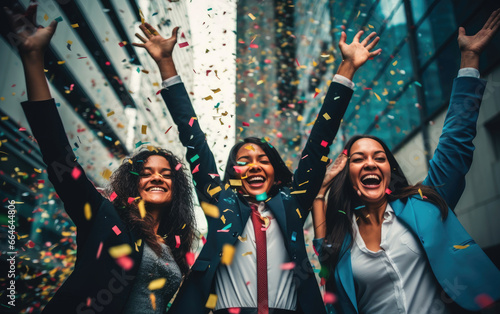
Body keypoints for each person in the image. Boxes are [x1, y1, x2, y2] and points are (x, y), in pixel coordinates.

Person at [132, 20, 381, 313]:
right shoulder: (220, 199)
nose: (254, 166)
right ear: (233, 174)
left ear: (276, 174)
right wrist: (165, 63)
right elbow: (194, 141)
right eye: (244, 162)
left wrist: (348, 69)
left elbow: (318, 144)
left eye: (263, 160)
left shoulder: (293, 203)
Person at [5, 3, 196, 313]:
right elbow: (58, 153)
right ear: (134, 182)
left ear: (178, 187)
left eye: (166, 173)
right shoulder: (105, 216)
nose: (157, 177)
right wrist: (32, 58)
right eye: (146, 172)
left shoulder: (175, 246)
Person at [312, 9, 500, 314]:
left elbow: (455, 146)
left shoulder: (423, 204)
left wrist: (469, 61)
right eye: (358, 159)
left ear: (389, 169)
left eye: (379, 157)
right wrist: (319, 192)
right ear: (349, 175)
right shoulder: (339, 239)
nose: (371, 163)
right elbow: (324, 258)